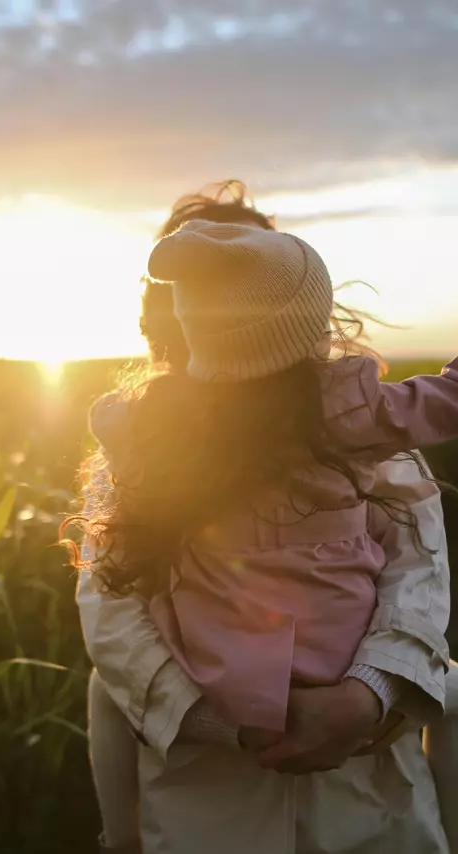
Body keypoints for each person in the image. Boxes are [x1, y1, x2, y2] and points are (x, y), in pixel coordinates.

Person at [73, 182, 457, 854]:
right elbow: (110, 602)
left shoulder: (355, 434)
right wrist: (226, 721)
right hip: (204, 799)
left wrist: (369, 692)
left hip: (371, 795)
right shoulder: (147, 446)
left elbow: (417, 572)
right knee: (104, 687)